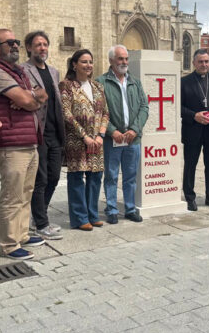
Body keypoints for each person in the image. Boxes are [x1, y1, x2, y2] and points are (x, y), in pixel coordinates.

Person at [0, 29, 46, 259]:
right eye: (10, 42)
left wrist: (29, 98)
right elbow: (28, 100)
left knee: (26, 191)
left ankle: (22, 234)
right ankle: (9, 243)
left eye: (16, 41)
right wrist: (28, 98)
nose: (16, 45)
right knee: (12, 194)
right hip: (10, 142)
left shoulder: (18, 71)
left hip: (29, 140)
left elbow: (42, 95)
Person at [98, 45, 149, 224]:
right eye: (120, 59)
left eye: (126, 59)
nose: (124, 62)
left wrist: (134, 129)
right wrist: (113, 131)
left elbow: (144, 107)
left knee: (130, 175)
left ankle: (129, 208)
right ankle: (111, 209)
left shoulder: (135, 82)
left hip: (132, 139)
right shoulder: (101, 82)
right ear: (111, 60)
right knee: (111, 175)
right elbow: (98, 111)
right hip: (114, 139)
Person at [60, 49, 109, 231]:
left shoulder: (97, 87)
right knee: (77, 179)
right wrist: (85, 136)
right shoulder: (66, 85)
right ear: (74, 64)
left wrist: (100, 135)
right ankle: (80, 218)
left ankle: (92, 214)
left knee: (95, 177)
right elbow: (66, 113)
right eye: (84, 62)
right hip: (77, 140)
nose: (88, 65)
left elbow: (105, 112)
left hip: (97, 141)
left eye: (90, 62)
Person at [22, 30, 64, 239]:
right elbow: (22, 94)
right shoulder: (23, 69)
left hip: (55, 132)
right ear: (29, 48)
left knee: (54, 176)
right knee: (41, 179)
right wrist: (33, 94)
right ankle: (41, 223)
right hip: (37, 131)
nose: (42, 48)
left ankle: (40, 215)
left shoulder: (54, 72)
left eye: (45, 44)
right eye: (38, 45)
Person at [181, 49, 209, 211]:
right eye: (201, 61)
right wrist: (194, 115)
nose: (204, 64)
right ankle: (189, 197)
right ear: (194, 63)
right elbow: (178, 106)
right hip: (193, 129)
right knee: (190, 164)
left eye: (207, 61)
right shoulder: (184, 82)